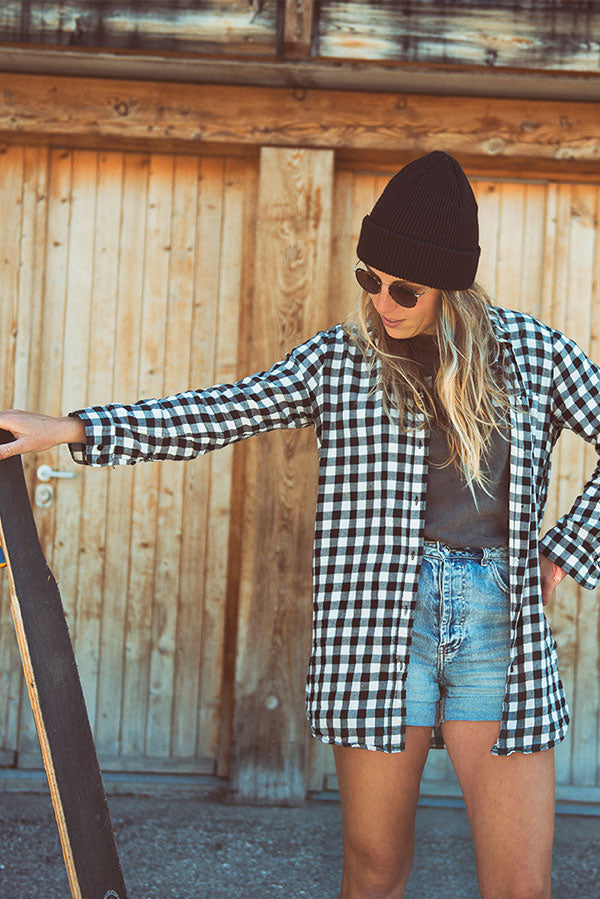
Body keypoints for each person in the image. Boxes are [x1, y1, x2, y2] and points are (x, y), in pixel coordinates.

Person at [0, 150, 596, 899]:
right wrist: (75, 428)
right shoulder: (340, 360)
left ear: (451, 285)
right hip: (377, 623)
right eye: (369, 279)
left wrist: (563, 550)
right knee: (374, 870)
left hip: (497, 624)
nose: (381, 302)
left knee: (519, 885)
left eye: (404, 289)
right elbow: (224, 410)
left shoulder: (534, 354)